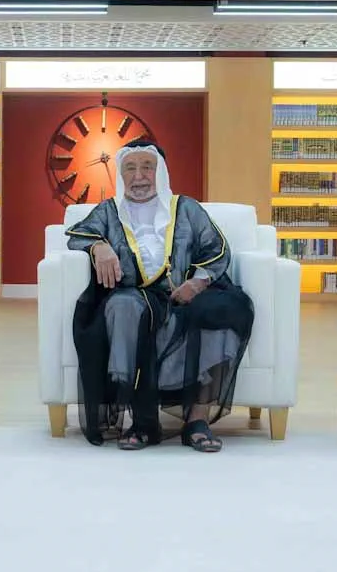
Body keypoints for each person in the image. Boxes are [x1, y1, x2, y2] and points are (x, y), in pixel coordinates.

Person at [64, 144, 254, 452]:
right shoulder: (110, 211)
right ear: (121, 175)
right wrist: (99, 247)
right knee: (122, 307)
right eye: (130, 168)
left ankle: (197, 420)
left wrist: (198, 283)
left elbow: (218, 249)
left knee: (222, 312)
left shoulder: (186, 208)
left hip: (187, 294)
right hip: (135, 294)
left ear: (160, 173)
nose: (139, 176)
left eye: (147, 167)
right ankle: (143, 421)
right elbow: (77, 235)